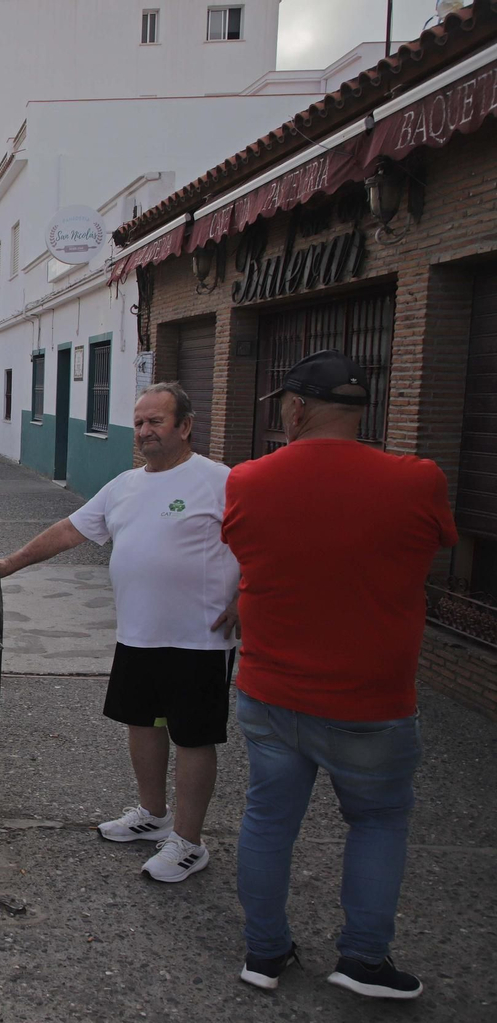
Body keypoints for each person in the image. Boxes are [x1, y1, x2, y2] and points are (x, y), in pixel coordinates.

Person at [222, 350, 457, 1000]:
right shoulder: (419, 480)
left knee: (268, 820)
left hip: (271, 692)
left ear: (296, 409)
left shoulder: (248, 480)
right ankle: (363, 960)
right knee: (378, 820)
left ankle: (265, 953)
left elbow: (246, 550)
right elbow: (436, 548)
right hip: (373, 701)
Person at [0, 381, 239, 882]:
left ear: (185, 426)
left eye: (156, 422)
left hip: (198, 639)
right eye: (140, 422)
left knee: (193, 737)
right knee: (142, 723)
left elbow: (262, 541)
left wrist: (246, 595)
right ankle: (153, 814)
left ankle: (189, 842)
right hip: (137, 633)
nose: (144, 431)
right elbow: (69, 530)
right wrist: (7, 565)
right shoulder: (124, 485)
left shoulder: (220, 481)